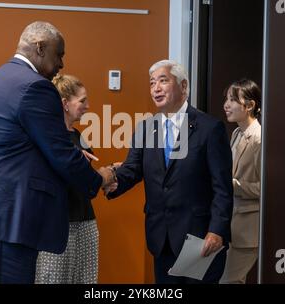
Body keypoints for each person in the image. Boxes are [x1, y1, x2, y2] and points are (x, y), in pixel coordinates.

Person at [0, 21, 115, 284]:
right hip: (9, 218)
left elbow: (16, 146)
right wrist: (101, 178)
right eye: (59, 54)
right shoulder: (35, 87)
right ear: (40, 47)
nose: (62, 64)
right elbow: (61, 152)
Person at [105, 59, 233, 284]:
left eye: (163, 81)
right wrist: (110, 180)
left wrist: (217, 230)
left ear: (183, 86)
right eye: (152, 82)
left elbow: (222, 187)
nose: (155, 87)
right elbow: (132, 170)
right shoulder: (146, 128)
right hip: (161, 238)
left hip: (199, 238)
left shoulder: (210, 129)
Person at [36, 74, 100, 284]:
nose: (87, 106)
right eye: (82, 101)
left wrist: (108, 173)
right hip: (56, 223)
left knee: (87, 281)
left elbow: (85, 178)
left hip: (85, 221)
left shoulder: (78, 135)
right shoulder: (47, 137)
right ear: (64, 103)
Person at [220, 79, 261, 284]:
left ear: (250, 105)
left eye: (233, 99)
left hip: (248, 229)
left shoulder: (260, 138)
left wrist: (235, 185)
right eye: (226, 99)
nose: (226, 105)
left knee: (227, 281)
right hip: (232, 224)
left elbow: (266, 188)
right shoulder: (237, 132)